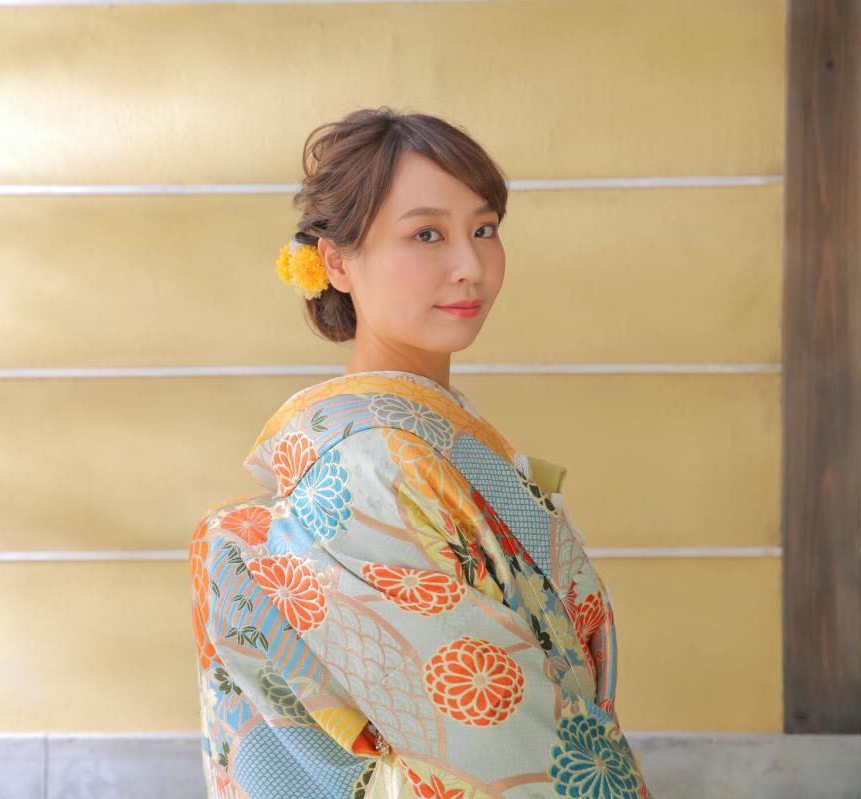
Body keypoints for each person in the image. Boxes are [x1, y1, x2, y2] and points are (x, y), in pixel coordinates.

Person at [188, 107, 651, 799]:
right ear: (336, 261)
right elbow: (488, 729)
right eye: (426, 234)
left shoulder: (419, 436)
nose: (471, 266)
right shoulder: (372, 466)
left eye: (484, 229)